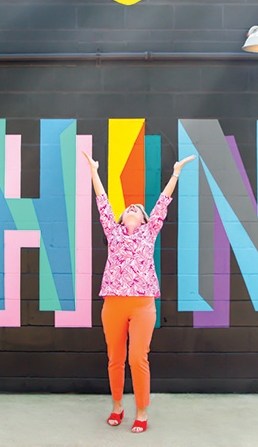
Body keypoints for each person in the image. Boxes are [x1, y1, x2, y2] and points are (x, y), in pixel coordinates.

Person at [82, 150, 196, 434]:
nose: (133, 208)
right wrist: (94, 171)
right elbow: (102, 202)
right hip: (114, 304)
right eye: (129, 208)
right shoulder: (113, 231)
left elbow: (163, 203)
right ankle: (118, 406)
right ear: (121, 218)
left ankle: (141, 411)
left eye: (137, 208)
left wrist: (176, 173)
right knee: (115, 358)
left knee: (138, 358)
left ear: (145, 220)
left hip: (143, 304)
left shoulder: (149, 232)